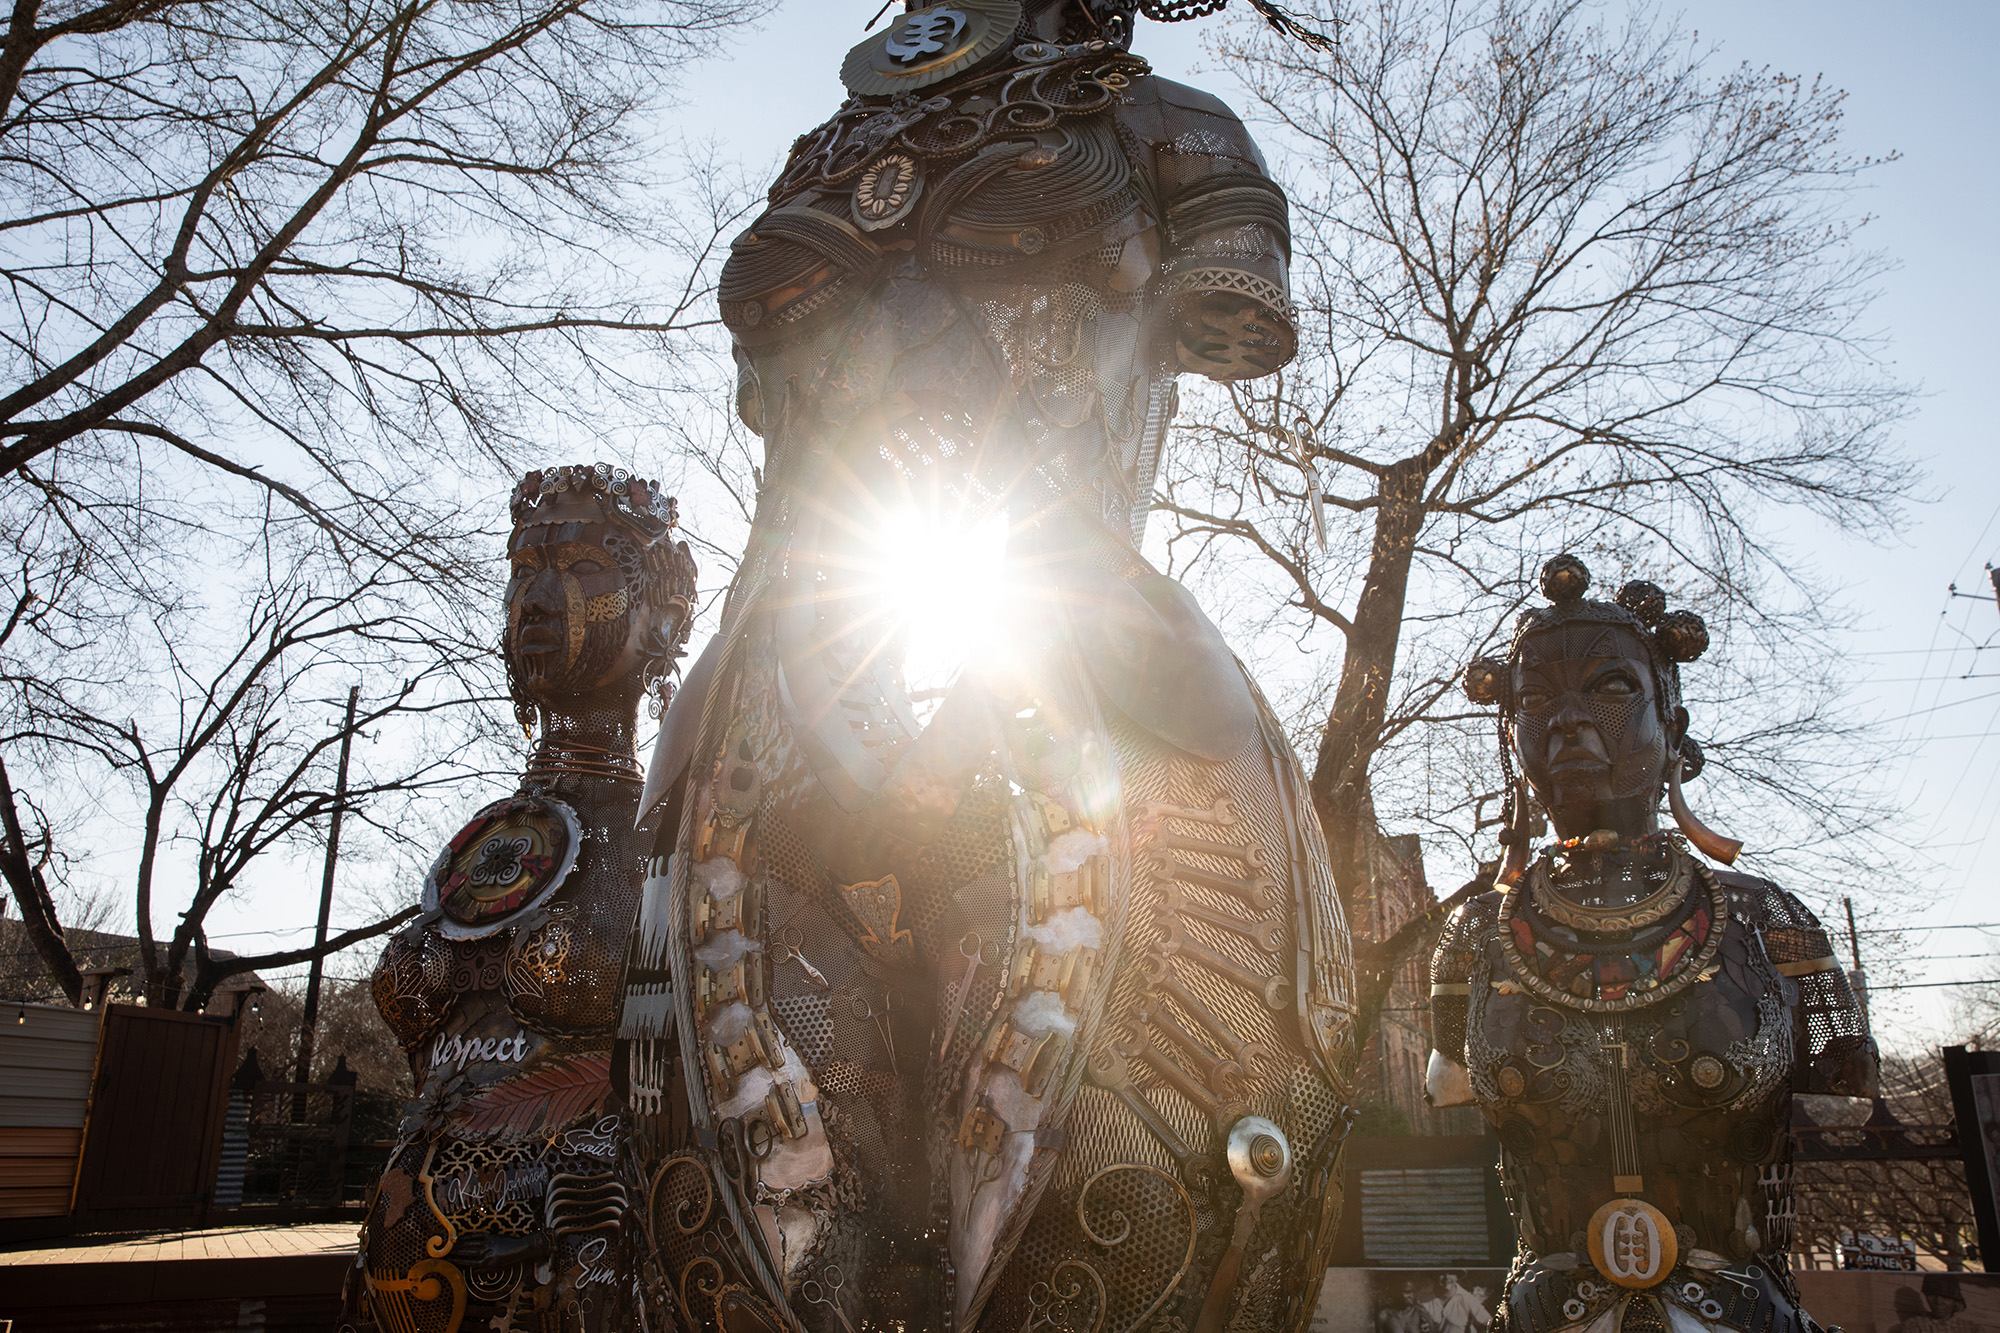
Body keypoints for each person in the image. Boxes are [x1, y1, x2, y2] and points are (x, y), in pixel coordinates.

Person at [617, 3, 1356, 1330]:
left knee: (1136, 1092)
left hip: (1070, 624)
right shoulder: (830, 140)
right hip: (804, 636)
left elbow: (1235, 313)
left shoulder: (1172, 129)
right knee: (734, 1112)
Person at [1429, 554, 1877, 1333]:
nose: (1566, 718)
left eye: (1608, 689)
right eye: (1536, 697)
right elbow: (1446, 1084)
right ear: (1512, 731)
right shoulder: (1475, 938)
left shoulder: (1768, 922)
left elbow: (1844, 1096)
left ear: (1672, 721)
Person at [339, 465, 697, 1333]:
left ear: (667, 614)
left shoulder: (676, 848)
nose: (538, 597)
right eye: (524, 568)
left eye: (579, 570)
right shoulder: (485, 844)